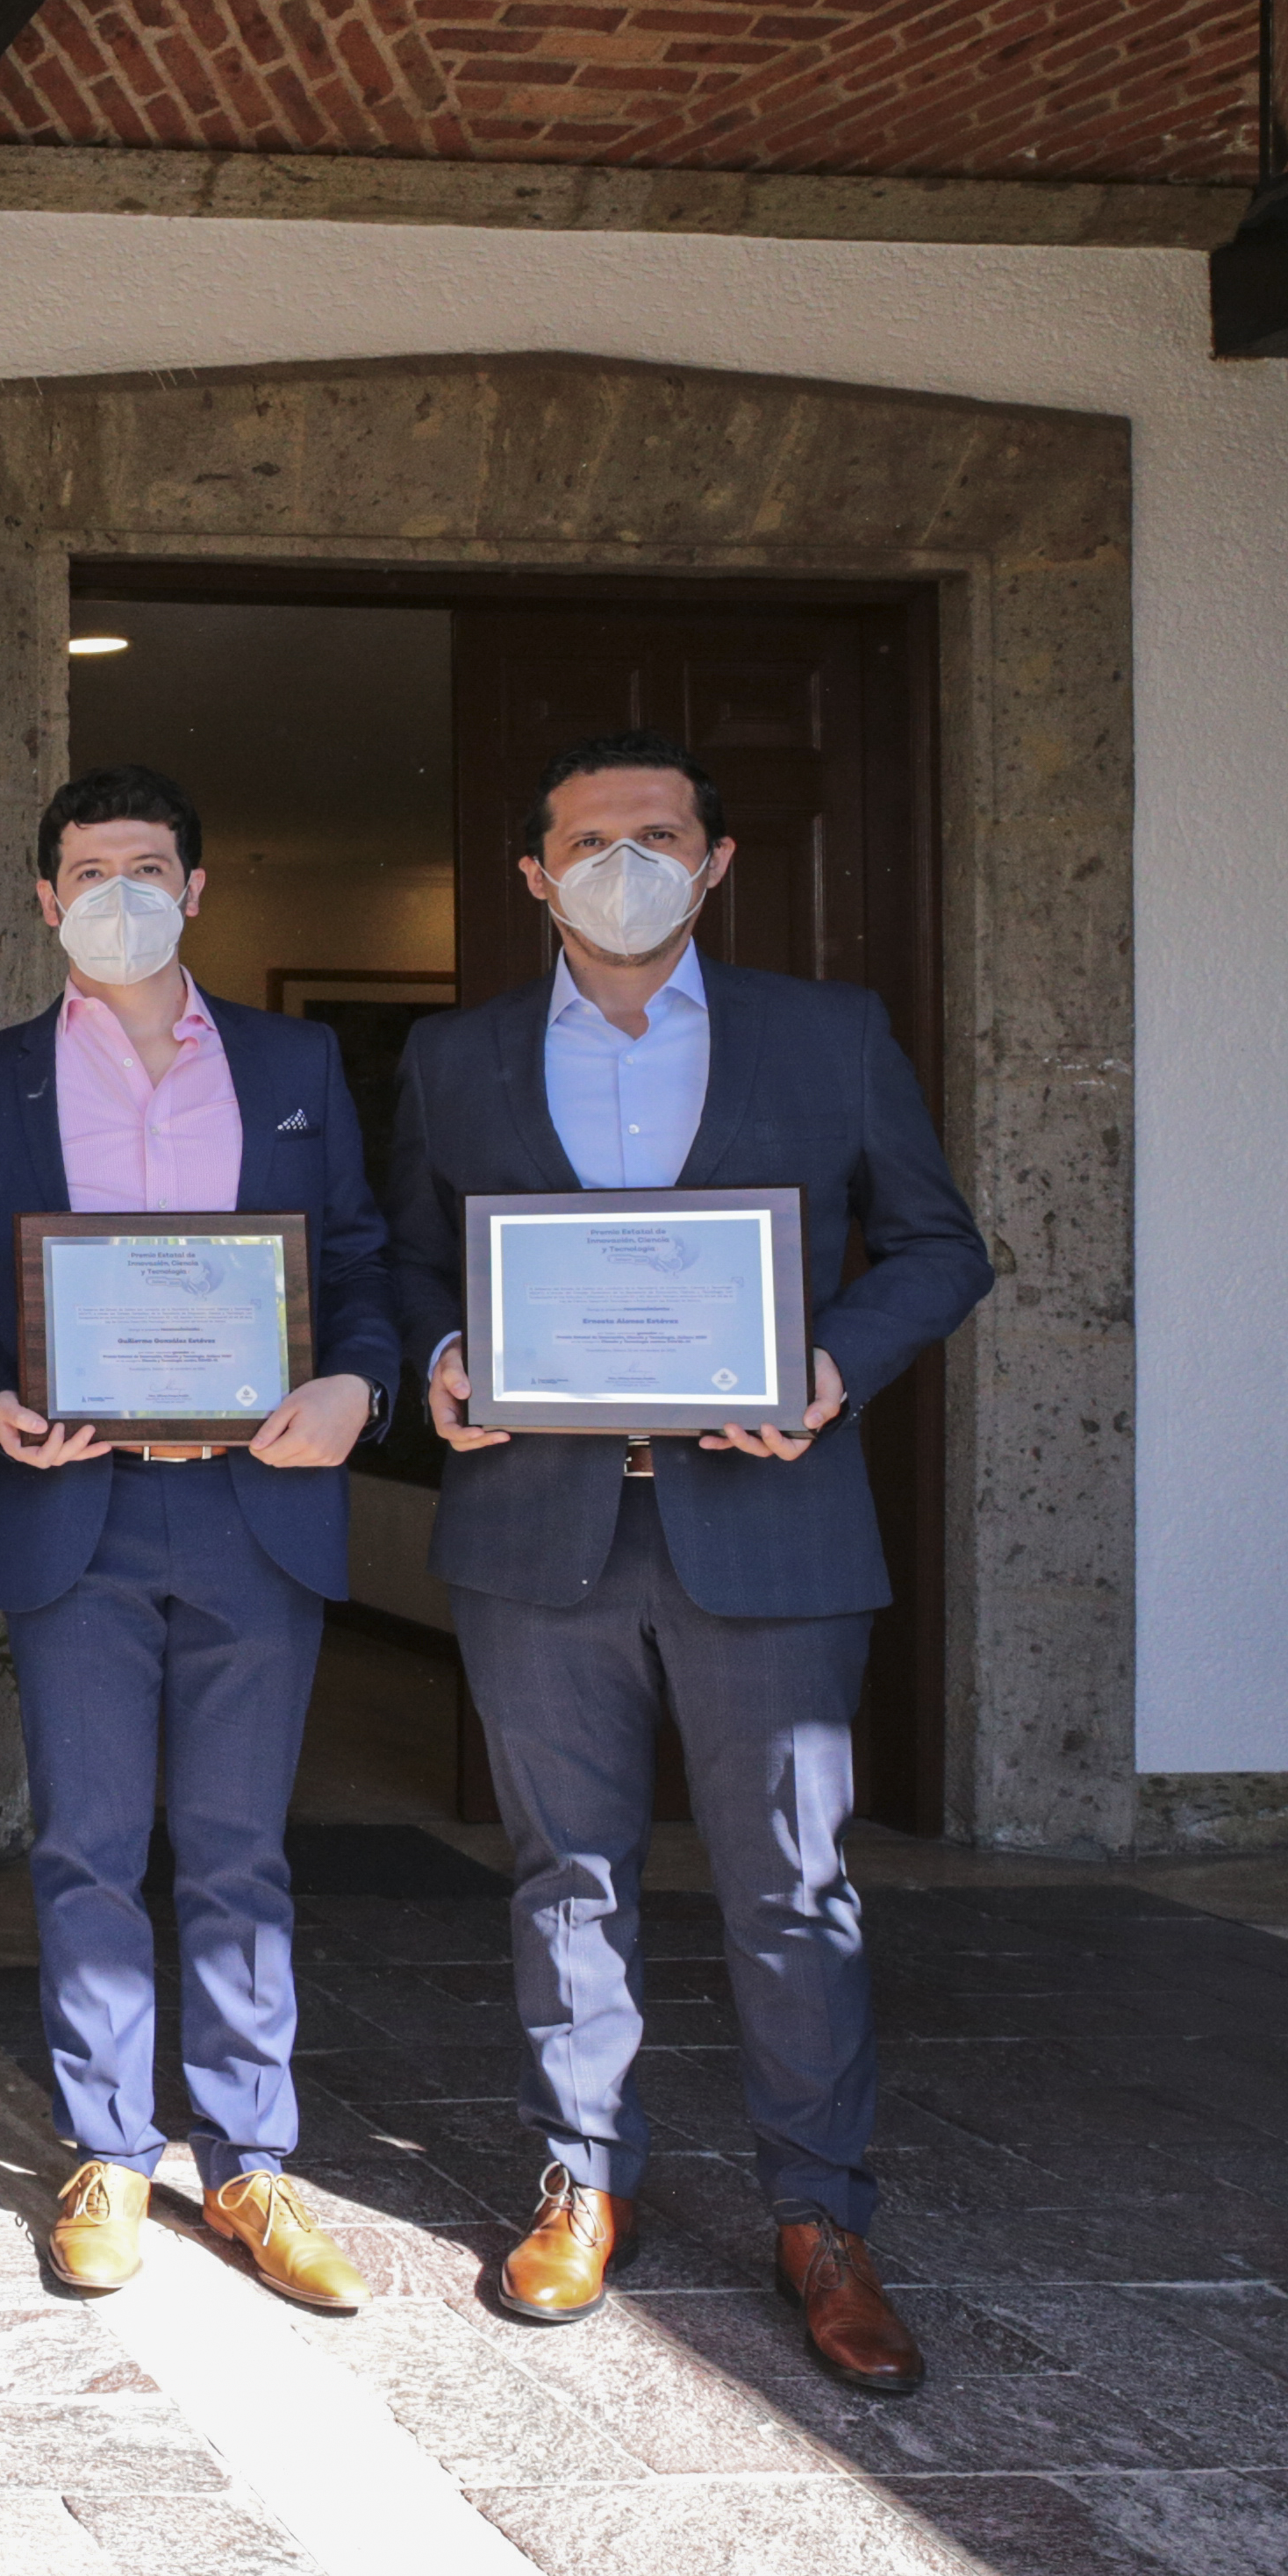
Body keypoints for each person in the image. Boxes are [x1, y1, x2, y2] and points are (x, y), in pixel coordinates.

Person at [389, 728, 990, 2395]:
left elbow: (943, 1246)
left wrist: (833, 1366)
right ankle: (585, 2180)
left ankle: (822, 2217)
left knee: (793, 1888)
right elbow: (406, 1261)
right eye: (589, 838)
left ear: (716, 862)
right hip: (539, 1530)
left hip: (771, 1523)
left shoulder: (830, 1034)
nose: (623, 861)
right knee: (562, 1872)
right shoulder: (459, 1055)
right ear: (534, 871)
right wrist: (440, 1349)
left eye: (658, 836)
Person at [0, 763, 401, 2315]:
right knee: (81, 1845)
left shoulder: (296, 1062)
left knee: (235, 1851)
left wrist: (359, 1381)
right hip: (77, 1502)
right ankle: (106, 2150)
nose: (119, 891)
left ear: (197, 891)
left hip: (253, 1504)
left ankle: (254, 2162)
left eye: (151, 866)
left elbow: (359, 1259)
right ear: (45, 897)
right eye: (90, 869)